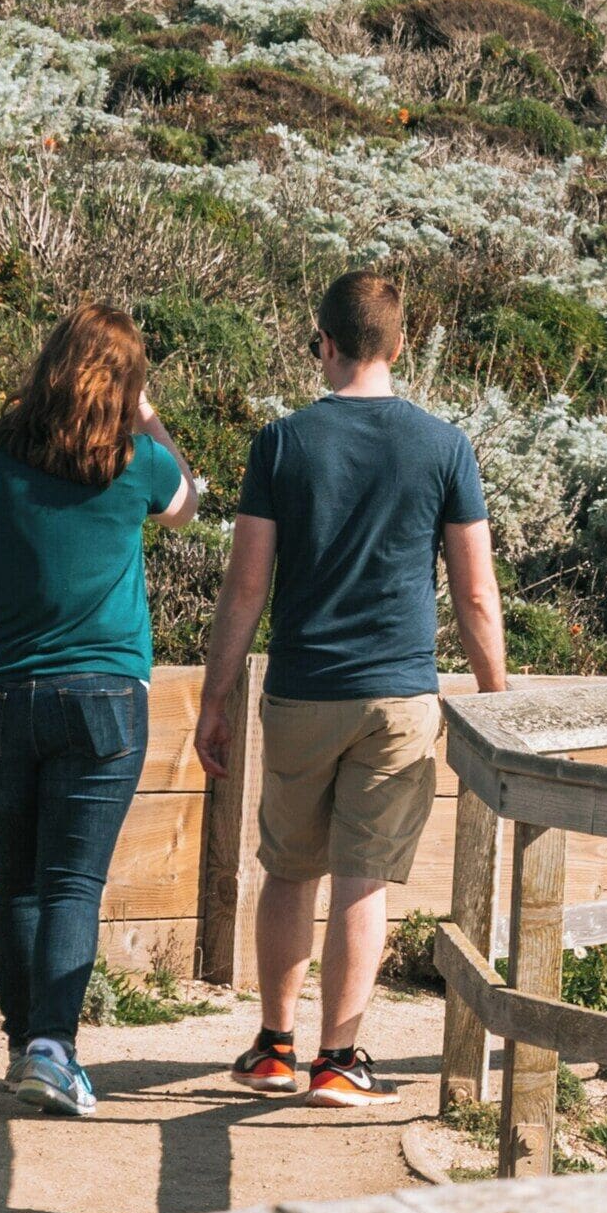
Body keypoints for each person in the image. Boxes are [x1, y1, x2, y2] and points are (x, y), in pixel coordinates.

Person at [0, 302, 199, 1118]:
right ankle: (54, 1048)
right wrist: (152, 416)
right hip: (103, 699)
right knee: (71, 883)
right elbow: (187, 499)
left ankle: (25, 1047)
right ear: (126, 384)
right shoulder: (136, 460)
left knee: (17, 879)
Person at [197, 270, 505, 1106]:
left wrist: (215, 698)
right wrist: (495, 696)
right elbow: (476, 594)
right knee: (362, 878)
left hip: (302, 689)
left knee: (289, 870)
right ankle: (339, 1057)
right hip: (400, 695)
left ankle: (272, 1044)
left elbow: (245, 588)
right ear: (400, 344)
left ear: (323, 342)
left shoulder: (283, 443)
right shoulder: (445, 447)